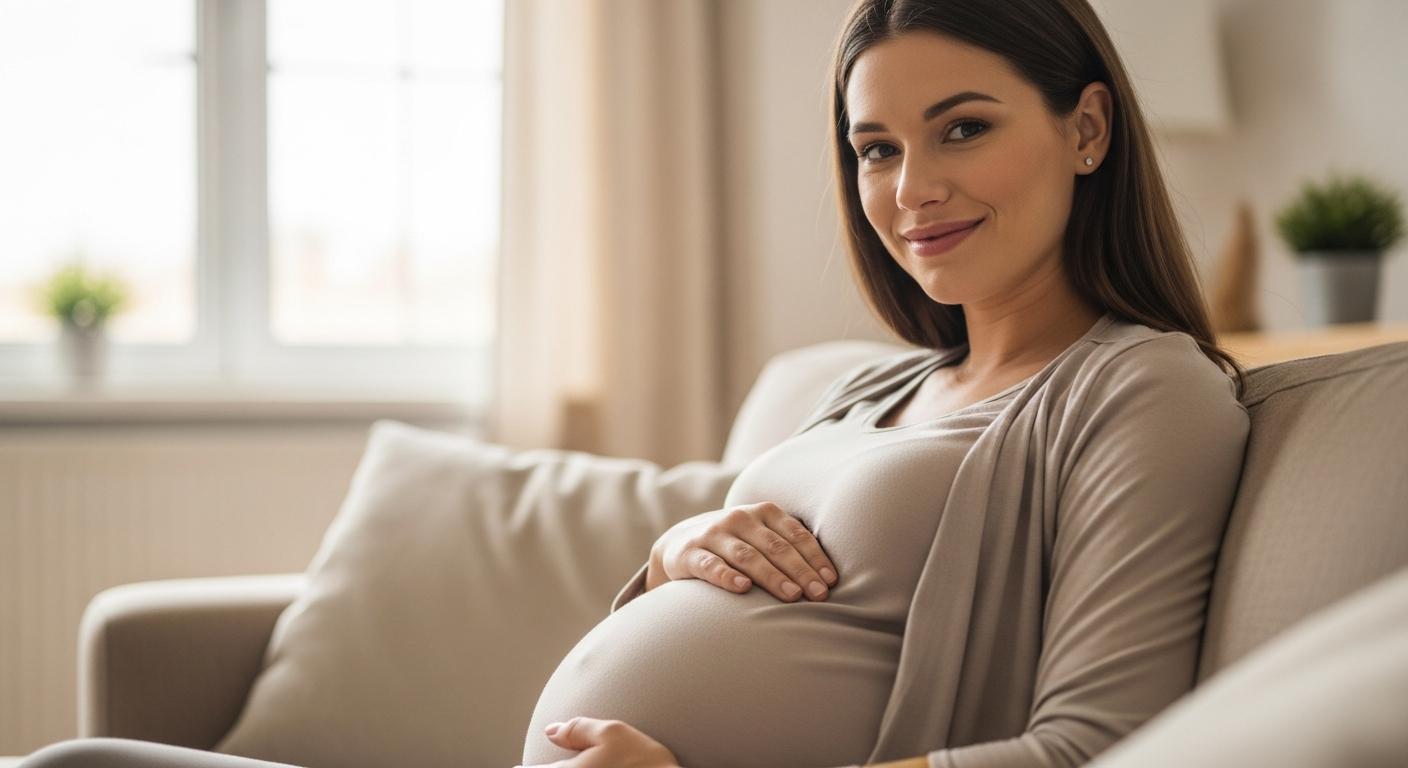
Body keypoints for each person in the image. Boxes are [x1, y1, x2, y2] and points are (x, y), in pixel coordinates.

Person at [21, 1, 1250, 767]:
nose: (909, 187)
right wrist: (673, 554)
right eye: (875, 147)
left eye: (962, 127)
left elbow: (1099, 747)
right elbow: (728, 602)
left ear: (1086, 131)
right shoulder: (874, 391)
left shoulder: (1141, 392)